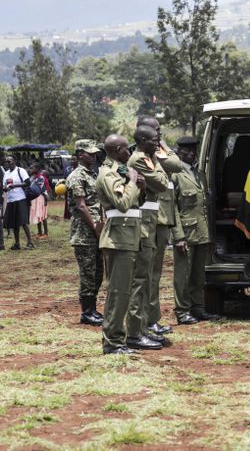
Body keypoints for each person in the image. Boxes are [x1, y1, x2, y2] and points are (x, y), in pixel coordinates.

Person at [96, 134, 146, 355]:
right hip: (118, 238)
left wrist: (140, 186)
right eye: (127, 149)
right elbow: (123, 203)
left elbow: (134, 202)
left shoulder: (120, 172)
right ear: (117, 150)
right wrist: (134, 183)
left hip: (128, 237)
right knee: (118, 293)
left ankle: (118, 338)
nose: (130, 153)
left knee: (124, 292)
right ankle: (113, 342)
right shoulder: (108, 174)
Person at [138, 116, 183, 337]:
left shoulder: (151, 151)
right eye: (156, 132)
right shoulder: (146, 154)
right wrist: (162, 144)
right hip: (151, 219)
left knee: (154, 274)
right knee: (147, 275)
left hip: (161, 217)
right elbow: (175, 164)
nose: (159, 136)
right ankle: (146, 320)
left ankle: (151, 319)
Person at [126, 125, 170, 351]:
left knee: (146, 279)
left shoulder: (148, 158)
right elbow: (162, 183)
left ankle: (141, 326)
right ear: (143, 140)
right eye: (154, 140)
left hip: (149, 221)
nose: (158, 143)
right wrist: (159, 165)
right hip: (143, 223)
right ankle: (134, 332)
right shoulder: (139, 160)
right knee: (140, 279)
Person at [170, 137, 220, 325]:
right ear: (178, 153)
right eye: (186, 152)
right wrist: (178, 236)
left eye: (193, 151)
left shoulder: (199, 174)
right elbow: (172, 208)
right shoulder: (174, 175)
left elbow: (204, 207)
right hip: (186, 233)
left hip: (202, 231)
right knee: (183, 274)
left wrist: (210, 235)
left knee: (198, 274)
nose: (191, 154)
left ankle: (197, 308)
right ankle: (182, 311)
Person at [66, 140, 105, 326]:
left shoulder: (93, 174)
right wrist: (95, 228)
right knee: (88, 273)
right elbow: (81, 207)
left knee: (98, 272)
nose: (94, 155)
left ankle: (93, 309)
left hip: (97, 230)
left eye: (95, 153)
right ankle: (86, 312)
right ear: (80, 154)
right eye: (90, 153)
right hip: (84, 233)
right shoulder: (76, 176)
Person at [2, 155, 34, 250]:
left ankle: (30, 242)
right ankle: (17, 244)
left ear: (14, 161)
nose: (7, 163)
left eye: (9, 161)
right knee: (14, 223)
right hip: (11, 200)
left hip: (20, 198)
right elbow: (5, 186)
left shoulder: (21, 170)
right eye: (6, 162)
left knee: (23, 221)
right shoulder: (6, 174)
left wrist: (15, 185)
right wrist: (5, 188)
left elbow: (27, 183)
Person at [28, 162, 49, 239]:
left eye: (32, 168)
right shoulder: (33, 178)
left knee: (43, 216)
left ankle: (46, 233)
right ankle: (39, 232)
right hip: (35, 198)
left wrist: (46, 200)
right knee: (38, 215)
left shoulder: (41, 178)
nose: (30, 170)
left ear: (37, 169)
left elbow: (40, 189)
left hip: (41, 198)